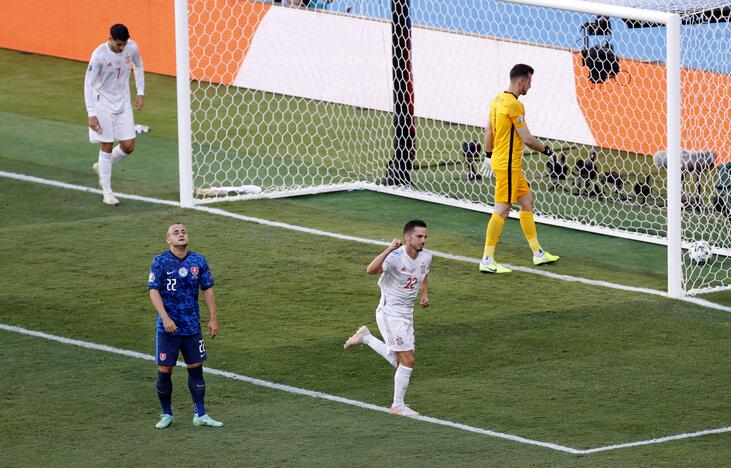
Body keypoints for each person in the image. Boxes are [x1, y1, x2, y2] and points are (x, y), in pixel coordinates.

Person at [344, 220, 432, 417]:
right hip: (389, 313)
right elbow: (370, 270)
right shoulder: (395, 257)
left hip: (407, 314)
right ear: (407, 237)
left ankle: (366, 338)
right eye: (419, 236)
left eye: (425, 237)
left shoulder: (426, 257)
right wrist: (389, 249)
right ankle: (397, 405)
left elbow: (424, 273)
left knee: (401, 362)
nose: (423, 240)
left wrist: (424, 294)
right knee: (408, 361)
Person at [479, 64, 559, 274]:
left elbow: (489, 130)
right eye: (530, 82)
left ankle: (538, 253)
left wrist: (488, 155)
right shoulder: (515, 105)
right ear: (521, 80)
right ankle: (487, 259)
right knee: (502, 208)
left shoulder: (497, 99)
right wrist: (548, 151)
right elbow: (528, 139)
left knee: (526, 201)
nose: (530, 87)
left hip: (502, 161)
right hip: (508, 165)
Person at [148, 223, 222, 429]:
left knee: (196, 368)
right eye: (175, 232)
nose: (181, 234)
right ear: (168, 240)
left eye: (184, 231)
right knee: (165, 370)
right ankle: (166, 413)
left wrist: (213, 318)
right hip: (168, 328)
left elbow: (207, 289)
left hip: (191, 327)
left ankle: (200, 414)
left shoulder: (199, 261)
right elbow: (153, 291)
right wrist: (165, 318)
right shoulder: (160, 262)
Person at [84, 23, 144, 206]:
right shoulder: (99, 56)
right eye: (119, 44)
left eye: (124, 44)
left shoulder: (131, 47)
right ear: (110, 39)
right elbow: (88, 84)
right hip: (103, 104)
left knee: (128, 146)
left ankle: (101, 167)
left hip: (123, 102)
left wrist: (140, 91)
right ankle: (107, 192)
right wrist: (91, 113)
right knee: (107, 144)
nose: (122, 48)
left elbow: (139, 65)